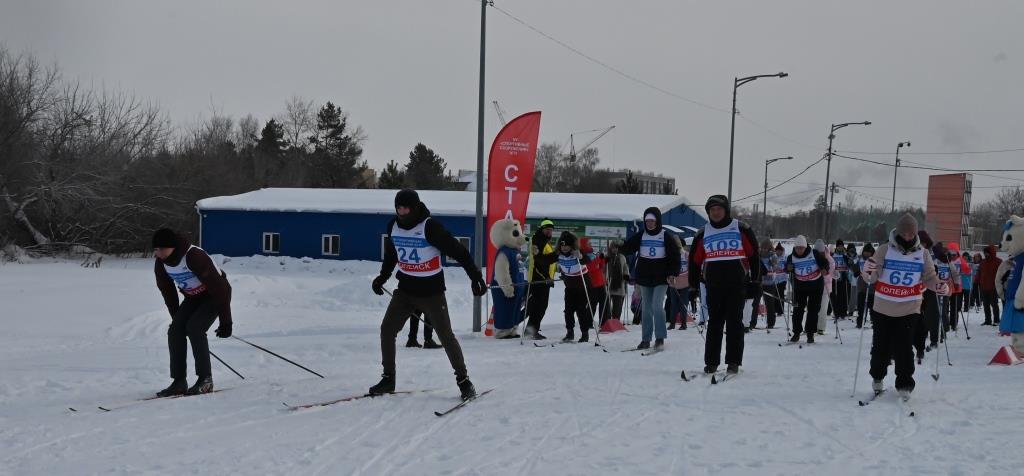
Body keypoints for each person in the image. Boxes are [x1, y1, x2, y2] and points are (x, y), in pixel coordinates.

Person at [369, 189, 486, 401]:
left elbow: (458, 251)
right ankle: (388, 379)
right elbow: (392, 255)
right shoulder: (393, 226)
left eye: (405, 207)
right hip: (405, 291)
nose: (401, 212)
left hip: (432, 293)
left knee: (445, 336)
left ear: (414, 207)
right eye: (398, 207)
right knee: (387, 330)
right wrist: (382, 278)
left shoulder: (429, 227)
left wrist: (475, 276)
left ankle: (464, 381)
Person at [860, 213, 946, 399]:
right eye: (904, 234)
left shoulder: (922, 253)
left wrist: (939, 285)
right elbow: (871, 277)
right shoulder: (884, 250)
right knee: (880, 346)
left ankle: (905, 383)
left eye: (910, 234)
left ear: (915, 234)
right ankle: (877, 376)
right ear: (898, 232)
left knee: (904, 346)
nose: (907, 237)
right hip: (883, 306)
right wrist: (867, 270)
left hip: (909, 307)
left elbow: (930, 277)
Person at [153, 228, 233, 397]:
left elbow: (219, 289)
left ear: (172, 247)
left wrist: (226, 322)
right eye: (155, 249)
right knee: (175, 331)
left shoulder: (193, 256)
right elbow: (168, 293)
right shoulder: (161, 264)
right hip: (193, 298)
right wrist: (177, 320)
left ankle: (206, 380)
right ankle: (179, 381)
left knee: (195, 328)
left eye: (160, 249)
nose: (157, 253)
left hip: (215, 295)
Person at [689, 195, 759, 374]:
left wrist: (755, 281)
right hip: (714, 285)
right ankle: (711, 362)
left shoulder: (740, 228)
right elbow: (695, 261)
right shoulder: (703, 233)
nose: (716, 213)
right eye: (712, 210)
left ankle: (733, 361)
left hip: (737, 284)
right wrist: (693, 285)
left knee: (734, 323)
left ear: (726, 210)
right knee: (715, 324)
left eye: (719, 209)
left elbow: (753, 255)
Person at [619, 207, 681, 350]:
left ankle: (660, 337)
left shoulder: (665, 236)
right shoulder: (642, 235)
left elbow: (674, 256)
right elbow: (629, 247)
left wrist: (673, 273)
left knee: (657, 306)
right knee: (646, 308)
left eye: (652, 221)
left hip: (661, 277)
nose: (649, 224)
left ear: (657, 221)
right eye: (647, 221)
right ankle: (645, 339)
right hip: (645, 277)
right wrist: (620, 245)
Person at [785, 235, 830, 343]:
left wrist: (824, 269)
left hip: (815, 285)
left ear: (805, 247)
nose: (799, 250)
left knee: (813, 310)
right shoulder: (791, 257)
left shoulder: (814, 253)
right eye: (797, 248)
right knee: (797, 310)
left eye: (801, 248)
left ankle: (810, 333)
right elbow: (787, 269)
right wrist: (788, 268)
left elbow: (825, 263)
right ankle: (796, 333)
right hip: (800, 287)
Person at [555, 231, 594, 343]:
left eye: (567, 245)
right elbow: (547, 260)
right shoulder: (558, 254)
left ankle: (584, 333)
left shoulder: (577, 252)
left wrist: (580, 256)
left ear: (571, 245)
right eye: (562, 245)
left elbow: (587, 260)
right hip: (570, 286)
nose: (564, 248)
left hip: (583, 285)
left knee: (581, 310)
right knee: (568, 310)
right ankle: (570, 332)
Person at [524, 219, 559, 339]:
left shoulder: (543, 241)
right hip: (538, 279)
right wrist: (546, 277)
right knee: (538, 306)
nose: (550, 232)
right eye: (547, 230)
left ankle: (531, 329)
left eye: (551, 230)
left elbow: (547, 260)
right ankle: (531, 330)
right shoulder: (538, 240)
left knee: (539, 306)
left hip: (542, 280)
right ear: (542, 229)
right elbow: (539, 261)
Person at [580, 237, 608, 328]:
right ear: (584, 244)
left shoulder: (592, 253)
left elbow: (600, 266)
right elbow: (589, 267)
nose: (590, 244)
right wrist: (599, 259)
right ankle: (588, 323)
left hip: (601, 281)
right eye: (588, 243)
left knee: (604, 303)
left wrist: (603, 259)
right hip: (592, 283)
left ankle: (604, 322)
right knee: (593, 304)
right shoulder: (583, 256)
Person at [750, 238, 777, 330]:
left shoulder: (772, 256)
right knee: (755, 303)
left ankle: (771, 323)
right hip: (759, 283)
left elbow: (776, 267)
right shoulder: (758, 255)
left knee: (769, 304)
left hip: (769, 283)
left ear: (770, 248)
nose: (764, 249)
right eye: (763, 248)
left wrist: (773, 264)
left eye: (766, 248)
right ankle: (752, 323)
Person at [667, 234, 690, 330]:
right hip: (674, 282)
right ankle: (673, 322)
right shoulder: (670, 255)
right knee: (674, 303)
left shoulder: (686, 255)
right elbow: (667, 268)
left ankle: (683, 323)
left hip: (684, 282)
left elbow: (691, 268)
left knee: (683, 303)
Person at [604, 240, 631, 323]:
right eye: (613, 248)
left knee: (618, 304)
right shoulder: (607, 256)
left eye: (617, 248)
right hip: (609, 283)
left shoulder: (622, 257)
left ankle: (616, 320)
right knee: (607, 305)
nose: (615, 249)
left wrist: (626, 275)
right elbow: (603, 268)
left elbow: (625, 267)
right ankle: (607, 320)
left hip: (619, 284)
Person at [813, 239, 835, 335]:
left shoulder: (829, 259)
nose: (819, 253)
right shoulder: (812, 257)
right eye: (817, 251)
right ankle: (812, 326)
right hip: (814, 286)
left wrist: (825, 273)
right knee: (813, 307)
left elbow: (831, 272)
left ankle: (821, 327)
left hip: (826, 286)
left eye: (821, 251)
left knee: (823, 307)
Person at [851, 243, 876, 328]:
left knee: (872, 306)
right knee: (860, 305)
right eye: (865, 252)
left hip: (871, 286)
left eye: (869, 252)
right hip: (861, 285)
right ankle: (860, 321)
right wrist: (853, 267)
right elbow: (856, 271)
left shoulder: (874, 260)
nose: (867, 254)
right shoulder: (860, 260)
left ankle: (874, 321)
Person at [978, 244, 1003, 326]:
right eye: (984, 253)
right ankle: (987, 320)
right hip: (984, 286)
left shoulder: (998, 261)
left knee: (994, 304)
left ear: (991, 252)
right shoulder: (983, 262)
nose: (985, 254)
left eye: (987, 253)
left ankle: (996, 320)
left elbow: (1002, 274)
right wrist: (976, 282)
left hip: (993, 287)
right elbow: (979, 273)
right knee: (985, 304)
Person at [832, 240, 851, 318]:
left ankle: (843, 312)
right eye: (839, 246)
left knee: (844, 295)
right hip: (836, 277)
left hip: (844, 276)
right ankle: (836, 312)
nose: (840, 247)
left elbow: (850, 263)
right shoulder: (833, 255)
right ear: (836, 247)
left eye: (841, 246)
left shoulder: (846, 254)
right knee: (836, 295)